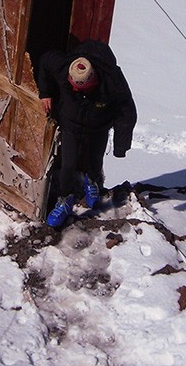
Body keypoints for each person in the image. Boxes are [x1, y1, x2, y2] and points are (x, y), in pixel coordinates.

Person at [37, 39, 137, 228]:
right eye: (72, 85)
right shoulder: (64, 66)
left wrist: (120, 146)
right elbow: (45, 60)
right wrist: (45, 92)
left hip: (99, 125)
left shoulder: (112, 82)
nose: (74, 89)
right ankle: (65, 200)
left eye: (79, 88)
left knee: (95, 160)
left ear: (92, 80)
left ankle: (92, 181)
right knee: (68, 164)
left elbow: (127, 112)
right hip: (71, 124)